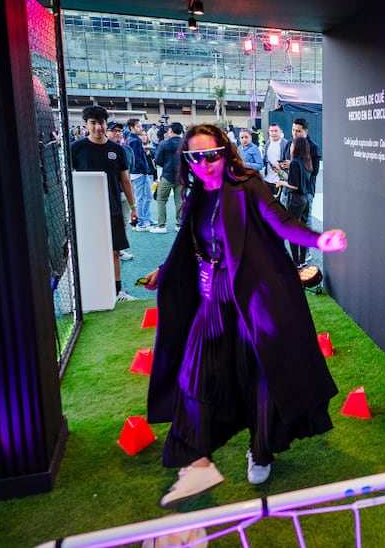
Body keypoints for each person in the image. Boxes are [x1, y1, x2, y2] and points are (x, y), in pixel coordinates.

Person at [142, 124, 346, 509]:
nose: (204, 164)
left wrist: (318, 240)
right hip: (211, 300)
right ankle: (198, 459)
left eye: (211, 155)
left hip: (254, 300)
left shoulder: (248, 185)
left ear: (225, 152)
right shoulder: (196, 195)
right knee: (194, 374)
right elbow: (190, 243)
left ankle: (261, 450)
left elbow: (281, 221)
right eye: (194, 157)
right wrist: (165, 271)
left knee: (261, 377)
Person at [70, 105, 139, 301]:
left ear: (105, 124)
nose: (98, 127)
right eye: (93, 123)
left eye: (101, 123)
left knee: (115, 250)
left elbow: (125, 180)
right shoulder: (76, 148)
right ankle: (90, 291)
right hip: (86, 210)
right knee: (89, 251)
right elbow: (69, 177)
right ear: (86, 125)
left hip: (113, 207)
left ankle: (118, 291)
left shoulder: (116, 150)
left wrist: (133, 207)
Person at [277, 137, 314, 267]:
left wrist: (281, 183)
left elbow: (294, 185)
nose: (290, 148)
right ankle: (302, 260)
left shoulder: (294, 163)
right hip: (305, 199)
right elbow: (297, 180)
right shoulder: (307, 162)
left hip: (295, 200)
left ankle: (296, 262)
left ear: (296, 147)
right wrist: (282, 174)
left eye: (292, 145)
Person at [151, 122, 185, 233]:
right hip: (181, 176)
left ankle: (161, 226)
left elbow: (158, 161)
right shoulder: (186, 144)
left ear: (170, 130)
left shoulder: (164, 144)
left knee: (161, 200)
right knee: (179, 201)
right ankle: (179, 225)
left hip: (167, 175)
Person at [126, 118, 156, 231]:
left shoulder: (132, 139)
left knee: (146, 197)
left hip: (139, 172)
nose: (141, 128)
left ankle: (145, 219)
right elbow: (136, 159)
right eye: (138, 126)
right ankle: (140, 223)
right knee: (141, 198)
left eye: (141, 126)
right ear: (131, 128)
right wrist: (144, 170)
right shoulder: (134, 141)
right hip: (139, 173)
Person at [261, 123, 291, 196]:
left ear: (281, 131)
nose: (274, 133)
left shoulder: (285, 143)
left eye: (276, 131)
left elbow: (288, 161)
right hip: (267, 179)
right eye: (271, 131)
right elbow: (265, 159)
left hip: (280, 180)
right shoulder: (268, 143)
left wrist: (280, 166)